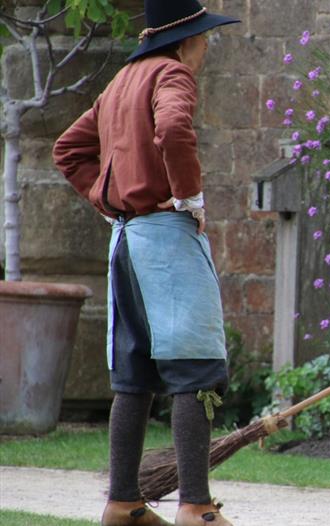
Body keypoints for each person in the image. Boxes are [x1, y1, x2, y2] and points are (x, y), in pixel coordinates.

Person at [53, 2, 239, 525]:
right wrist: (189, 196)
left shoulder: (120, 83)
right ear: (185, 41)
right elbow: (174, 130)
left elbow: (68, 150)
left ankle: (123, 503)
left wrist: (110, 198)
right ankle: (196, 509)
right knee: (196, 370)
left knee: (134, 377)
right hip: (165, 245)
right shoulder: (172, 72)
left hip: (125, 244)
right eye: (205, 39)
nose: (206, 49)